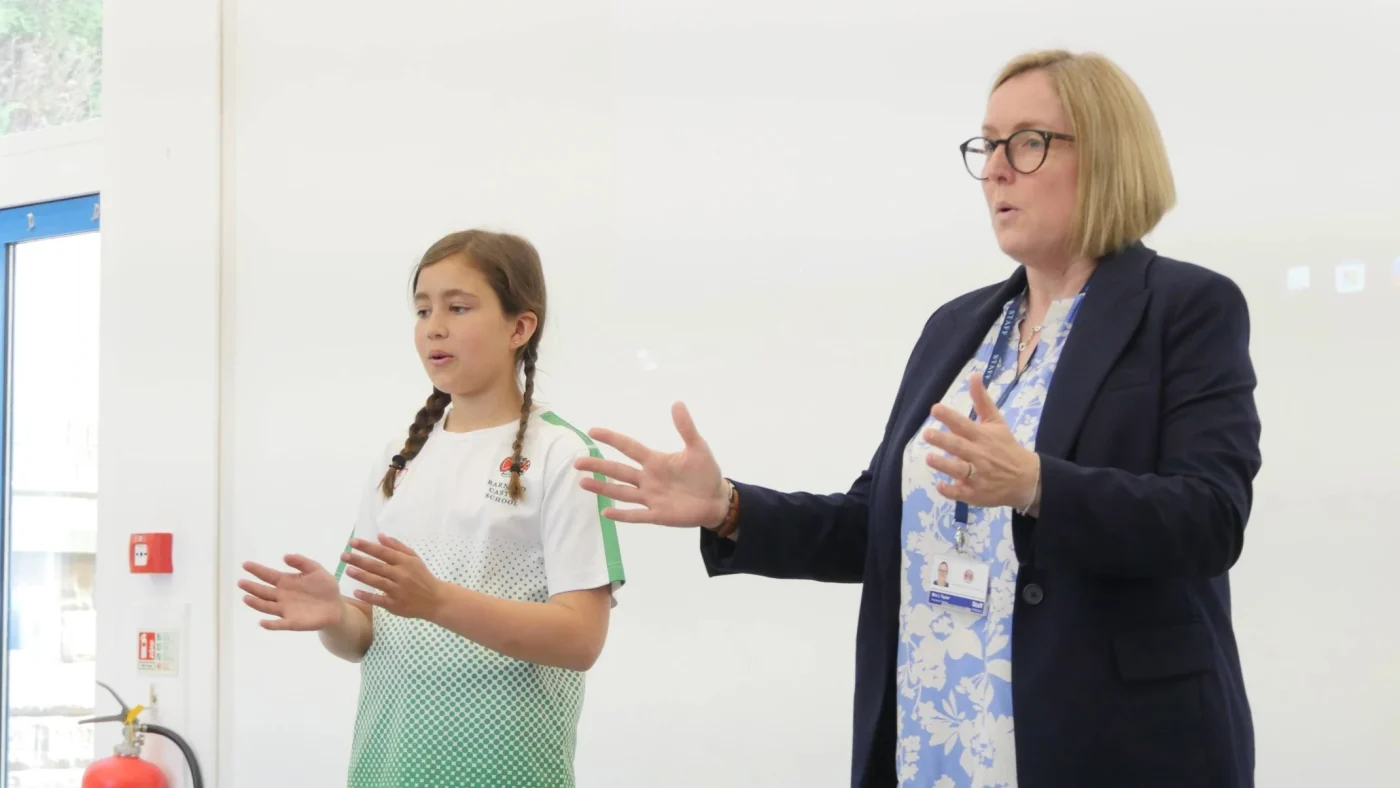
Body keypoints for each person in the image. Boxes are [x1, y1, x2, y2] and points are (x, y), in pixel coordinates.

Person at [575, 49, 1259, 788]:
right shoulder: (958, 328)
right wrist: (729, 507)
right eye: (987, 145)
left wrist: (1037, 486)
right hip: (935, 735)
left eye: (1027, 143)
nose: (997, 168)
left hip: (1106, 738)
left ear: (1108, 154)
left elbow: (1211, 517)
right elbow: (877, 526)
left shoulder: (1184, 309)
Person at [238, 230, 625, 787]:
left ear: (520, 327)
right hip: (386, 767)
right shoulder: (400, 459)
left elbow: (581, 640)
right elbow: (363, 634)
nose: (434, 327)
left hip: (509, 771)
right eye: (423, 310)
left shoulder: (565, 456)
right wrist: (333, 618)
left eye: (458, 307)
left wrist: (438, 601)